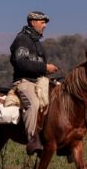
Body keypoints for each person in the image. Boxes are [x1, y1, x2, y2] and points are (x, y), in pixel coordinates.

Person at [9, 11, 59, 156]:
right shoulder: (21, 40)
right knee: (34, 104)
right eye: (42, 22)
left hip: (40, 81)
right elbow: (21, 64)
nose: (45, 26)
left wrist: (48, 72)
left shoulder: (38, 43)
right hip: (24, 82)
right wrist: (45, 68)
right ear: (33, 22)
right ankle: (33, 139)